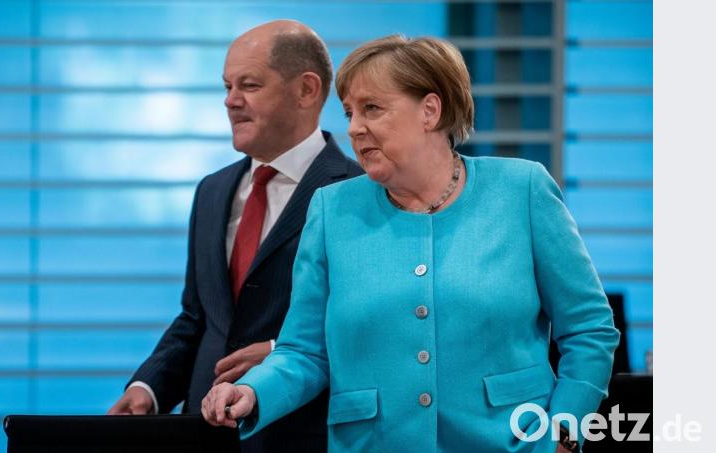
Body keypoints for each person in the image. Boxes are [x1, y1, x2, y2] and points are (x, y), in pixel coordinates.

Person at [201, 35, 620, 453]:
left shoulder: (521, 190)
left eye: (372, 109)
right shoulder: (332, 209)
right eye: (348, 112)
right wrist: (253, 392)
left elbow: (589, 330)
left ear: (430, 110)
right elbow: (304, 351)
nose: (353, 128)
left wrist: (563, 435)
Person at [108, 20, 363, 453]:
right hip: (201, 433)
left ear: (307, 90)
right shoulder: (212, 191)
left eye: (249, 85)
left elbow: (373, 324)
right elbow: (198, 317)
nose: (230, 101)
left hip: (301, 437)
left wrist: (280, 349)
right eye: (227, 86)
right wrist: (147, 389)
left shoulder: (358, 193)